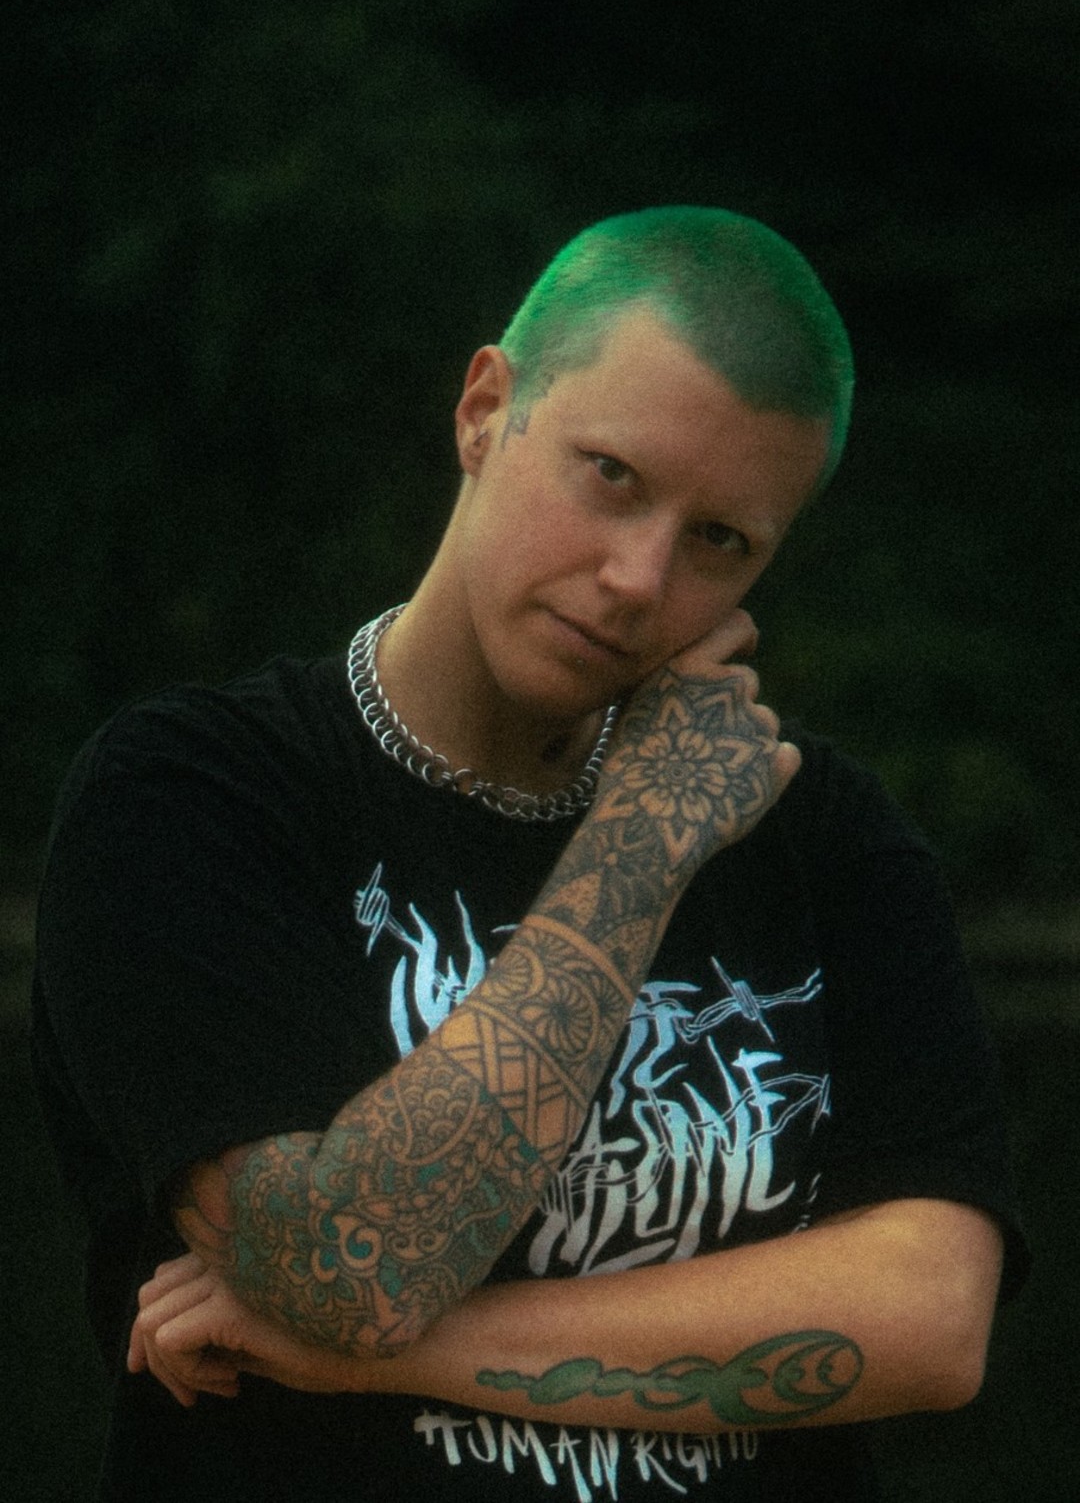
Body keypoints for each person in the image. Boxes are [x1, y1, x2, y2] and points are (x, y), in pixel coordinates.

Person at [32, 207, 1026, 1502]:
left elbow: (931, 1320)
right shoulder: (195, 793)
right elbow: (350, 1265)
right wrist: (644, 844)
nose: (638, 577)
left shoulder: (821, 831)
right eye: (611, 475)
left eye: (720, 540)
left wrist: (400, 1360)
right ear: (485, 410)